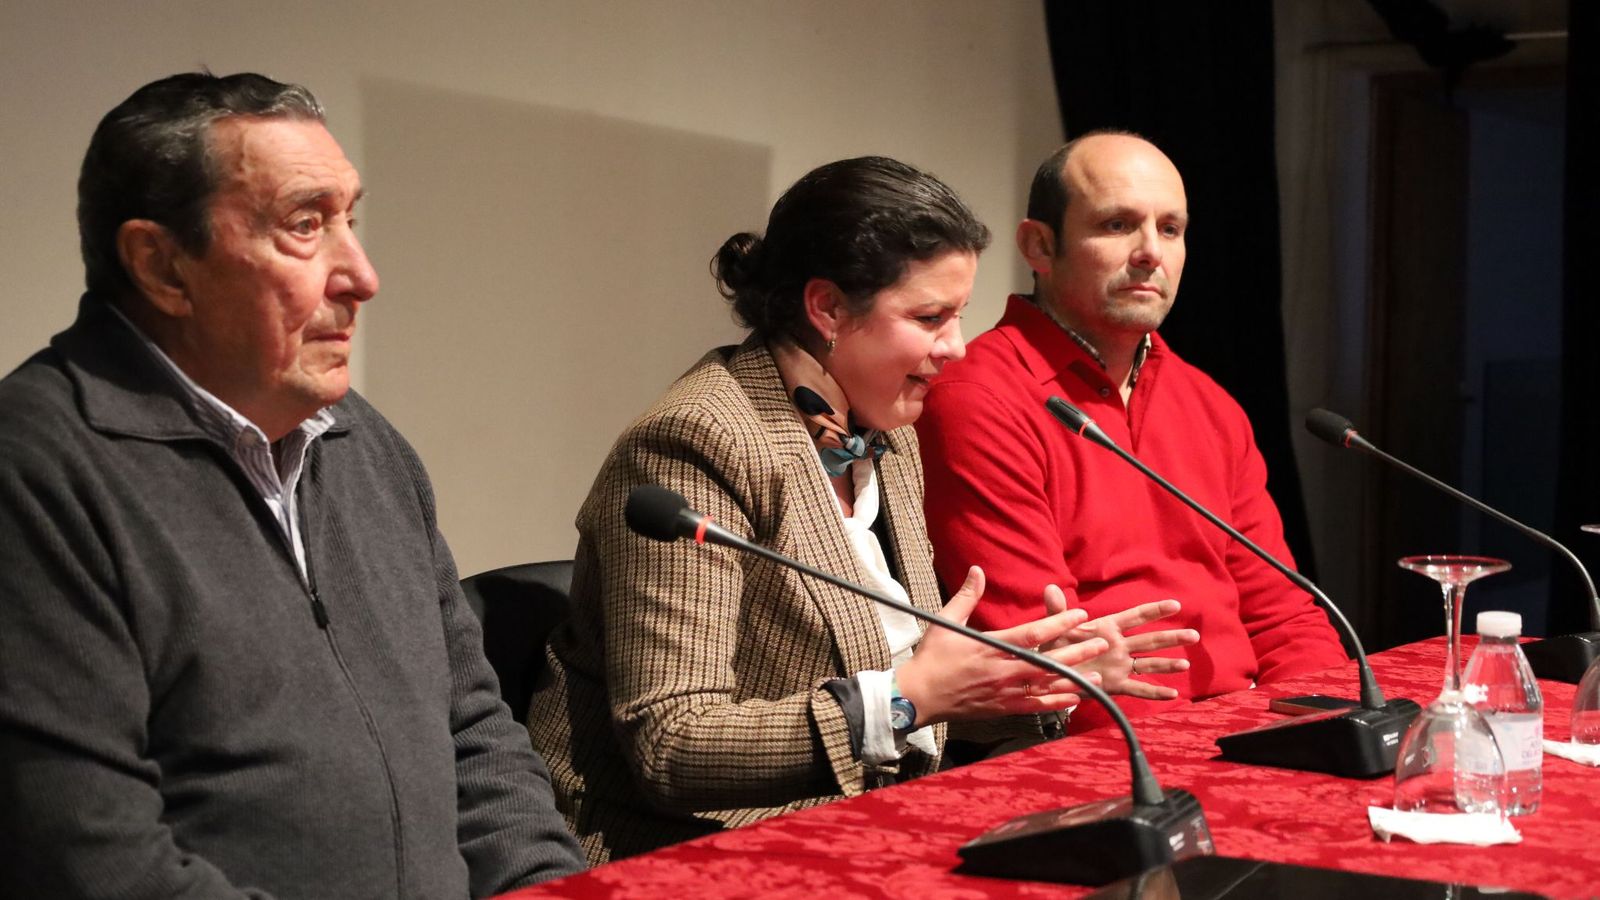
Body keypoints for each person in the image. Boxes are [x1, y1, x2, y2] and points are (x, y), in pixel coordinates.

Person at [0, 72, 583, 898]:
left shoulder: (366, 445)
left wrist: (550, 889)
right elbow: (87, 859)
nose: (363, 275)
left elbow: (475, 737)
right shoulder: (38, 470)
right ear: (163, 266)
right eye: (306, 226)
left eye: (352, 219)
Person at [525, 156, 1194, 865]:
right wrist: (908, 698)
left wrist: (1026, 683)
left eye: (959, 315)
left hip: (869, 833)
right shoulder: (698, 441)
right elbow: (672, 744)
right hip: (693, 852)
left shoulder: (889, 430)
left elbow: (910, 700)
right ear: (829, 309)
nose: (955, 349)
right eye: (930, 317)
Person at [916, 131, 1348, 734]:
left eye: (1170, 229)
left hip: (1251, 732)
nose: (1151, 252)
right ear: (1039, 246)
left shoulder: (1211, 404)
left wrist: (1327, 727)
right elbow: (1052, 652)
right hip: (1106, 752)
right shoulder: (976, 397)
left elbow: (1284, 616)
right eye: (1118, 225)